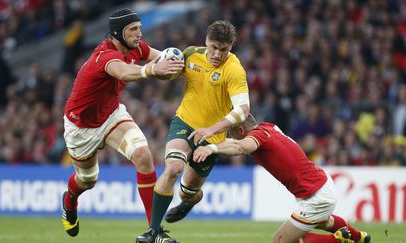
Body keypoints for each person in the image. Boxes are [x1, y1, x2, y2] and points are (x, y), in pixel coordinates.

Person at [61, 8, 184, 240]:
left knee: (144, 155)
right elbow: (124, 72)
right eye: (133, 29)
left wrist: (188, 64)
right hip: (81, 128)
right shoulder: (104, 56)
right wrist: (152, 70)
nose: (139, 33)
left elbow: (164, 57)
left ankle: (155, 231)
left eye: (139, 28)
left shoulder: (135, 47)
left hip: (111, 115)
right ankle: (69, 202)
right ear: (118, 33)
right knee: (87, 180)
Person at [136, 20, 250, 243]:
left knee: (188, 191)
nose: (217, 54)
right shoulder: (191, 54)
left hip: (211, 138)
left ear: (231, 47)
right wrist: (160, 72)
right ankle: (153, 231)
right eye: (213, 47)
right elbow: (167, 71)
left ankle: (189, 201)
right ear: (206, 41)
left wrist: (211, 130)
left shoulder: (234, 70)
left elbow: (243, 110)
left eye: (224, 49)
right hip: (185, 123)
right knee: (172, 169)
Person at [192, 114, 371, 243]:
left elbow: (240, 147)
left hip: (316, 195)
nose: (230, 137)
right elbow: (237, 143)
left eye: (231, 133)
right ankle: (358, 237)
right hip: (321, 185)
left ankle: (339, 241)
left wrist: (212, 149)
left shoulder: (258, 137)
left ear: (240, 130)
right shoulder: (268, 127)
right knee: (323, 222)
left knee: (280, 241)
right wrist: (213, 144)